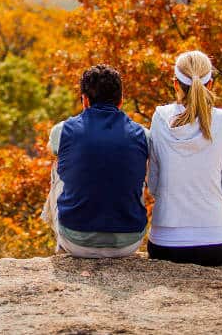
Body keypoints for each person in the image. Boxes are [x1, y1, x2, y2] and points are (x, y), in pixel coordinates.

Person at [40, 64, 149, 258]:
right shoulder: (143, 135)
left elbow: (52, 151)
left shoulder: (62, 130)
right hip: (129, 242)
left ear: (85, 100)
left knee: (58, 164)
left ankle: (61, 247)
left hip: (75, 240)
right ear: (121, 100)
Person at [147, 50, 222, 266]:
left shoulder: (160, 118)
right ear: (211, 84)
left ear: (175, 84)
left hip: (165, 244)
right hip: (215, 243)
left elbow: (153, 185)